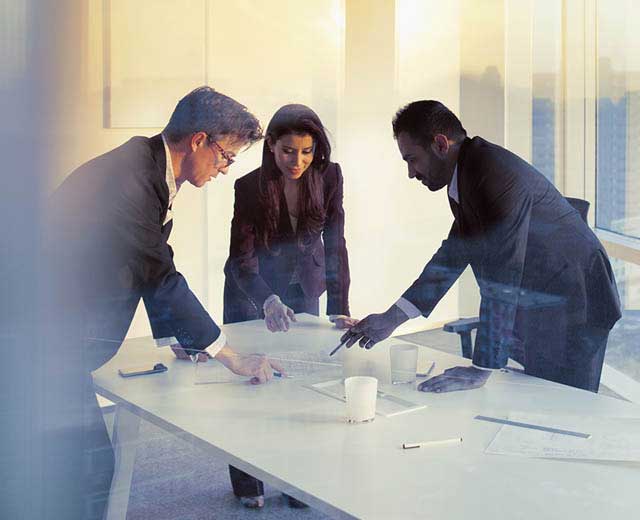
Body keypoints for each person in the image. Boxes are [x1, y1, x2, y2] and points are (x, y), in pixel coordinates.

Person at [46, 87, 283, 519]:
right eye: (226, 156)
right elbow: (159, 274)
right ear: (198, 141)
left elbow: (149, 259)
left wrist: (184, 335)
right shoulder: (130, 181)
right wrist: (228, 356)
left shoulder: (146, 167)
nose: (225, 169)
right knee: (89, 470)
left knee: (81, 470)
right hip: (39, 340)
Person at [341, 100, 621, 395]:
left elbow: (502, 274)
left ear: (440, 144)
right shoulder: (467, 175)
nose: (411, 173)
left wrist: (481, 368)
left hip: (577, 297)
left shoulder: (493, 175)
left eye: (412, 159)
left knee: (564, 404)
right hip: (544, 294)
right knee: (538, 396)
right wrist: (391, 319)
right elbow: (452, 256)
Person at [222, 104, 355, 508]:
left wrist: (339, 305)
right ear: (271, 147)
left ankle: (299, 480)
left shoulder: (330, 176)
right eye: (287, 151)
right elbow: (241, 258)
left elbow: (336, 241)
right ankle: (249, 484)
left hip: (305, 285)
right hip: (252, 290)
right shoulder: (248, 187)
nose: (297, 161)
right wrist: (267, 299)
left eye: (306, 151)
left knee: (302, 384)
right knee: (251, 386)